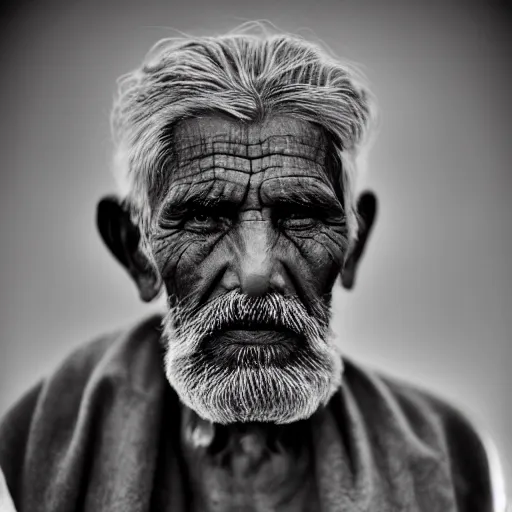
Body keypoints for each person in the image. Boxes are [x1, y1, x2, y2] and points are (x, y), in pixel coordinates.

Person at [0, 27, 505, 511]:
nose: (257, 272)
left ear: (354, 242)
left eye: (302, 215)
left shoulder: (456, 461)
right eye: (203, 218)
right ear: (136, 249)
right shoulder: (24, 457)